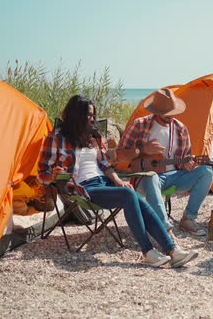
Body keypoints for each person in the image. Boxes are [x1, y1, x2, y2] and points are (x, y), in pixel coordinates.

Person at [38, 95, 198, 268]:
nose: (92, 119)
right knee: (130, 195)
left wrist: (117, 181)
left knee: (133, 195)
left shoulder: (94, 136)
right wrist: (54, 175)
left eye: (93, 115)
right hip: (81, 188)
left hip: (104, 184)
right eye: (88, 115)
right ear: (76, 115)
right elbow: (42, 174)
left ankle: (173, 251)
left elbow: (106, 165)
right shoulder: (57, 137)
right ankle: (148, 251)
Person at [116, 88, 213, 236]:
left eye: (172, 111)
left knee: (206, 172)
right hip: (145, 179)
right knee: (152, 176)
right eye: (166, 112)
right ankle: (165, 229)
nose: (170, 115)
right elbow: (119, 155)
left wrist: (187, 164)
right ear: (155, 110)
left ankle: (188, 218)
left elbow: (184, 160)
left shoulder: (180, 129)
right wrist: (142, 149)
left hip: (174, 177)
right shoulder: (140, 125)